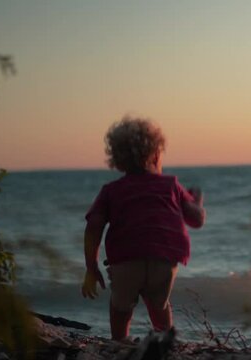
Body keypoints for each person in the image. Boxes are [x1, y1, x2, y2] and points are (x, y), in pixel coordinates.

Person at [81, 116, 206, 341]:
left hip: (126, 260)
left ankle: (120, 343)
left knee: (121, 307)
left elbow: (93, 227)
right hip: (164, 259)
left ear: (117, 161)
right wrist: (197, 202)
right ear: (157, 155)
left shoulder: (111, 191)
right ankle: (166, 342)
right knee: (159, 304)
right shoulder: (171, 185)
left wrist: (91, 267)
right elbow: (196, 220)